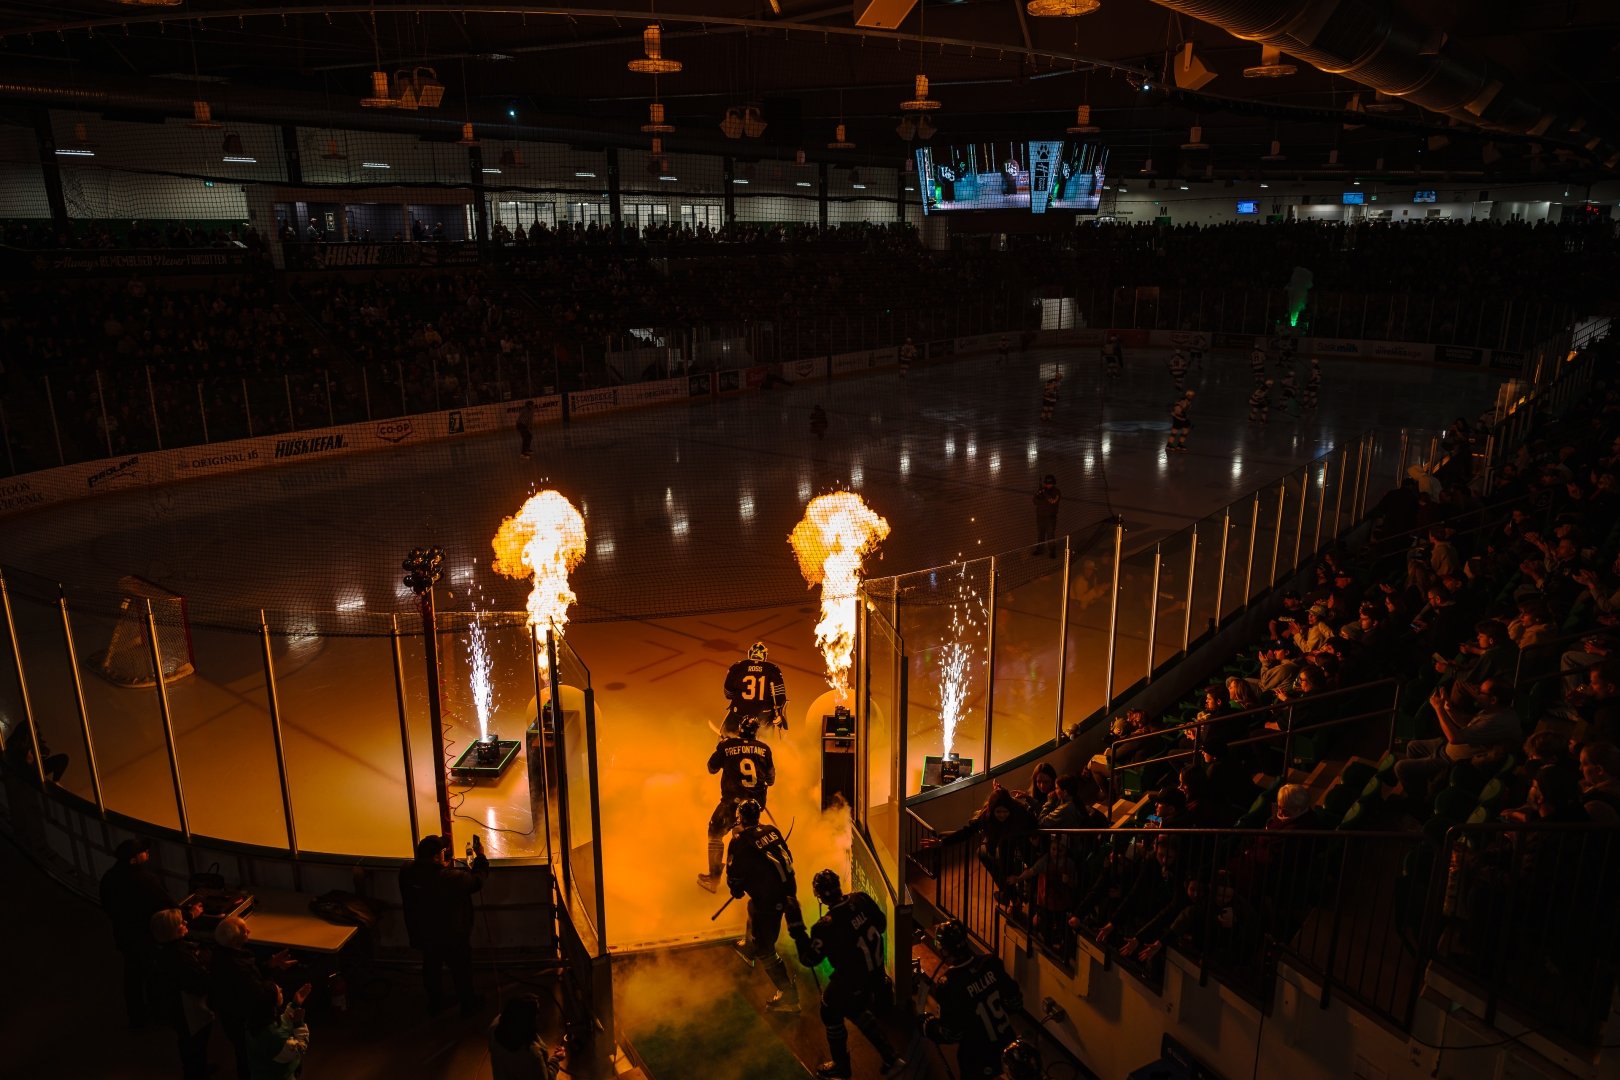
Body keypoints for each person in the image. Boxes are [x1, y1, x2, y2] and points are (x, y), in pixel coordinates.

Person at [791, 870, 904, 1080]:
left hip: (854, 979)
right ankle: (891, 1057)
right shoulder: (861, 898)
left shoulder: (825, 925)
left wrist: (797, 928)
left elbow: (809, 960)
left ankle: (841, 1069)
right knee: (855, 1009)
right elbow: (880, 924)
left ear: (819, 895)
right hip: (876, 973)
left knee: (829, 1010)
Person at [727, 798, 805, 1012]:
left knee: (766, 948)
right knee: (752, 908)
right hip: (789, 890)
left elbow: (733, 876)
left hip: (770, 900)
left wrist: (737, 888)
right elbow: (787, 857)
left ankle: (788, 996)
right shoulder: (772, 830)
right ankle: (750, 947)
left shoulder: (739, 841)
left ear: (741, 817)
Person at [398, 833, 489, 1016]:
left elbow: (425, 875)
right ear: (436, 856)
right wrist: (480, 857)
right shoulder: (450, 878)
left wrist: (439, 865)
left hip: (423, 933)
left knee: (431, 967)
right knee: (461, 969)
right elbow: (476, 881)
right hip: (452, 935)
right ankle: (468, 1004)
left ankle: (435, 1002)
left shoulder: (406, 871)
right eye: (442, 851)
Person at [100, 836, 187, 1027]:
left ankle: (136, 1015)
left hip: (124, 935)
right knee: (153, 975)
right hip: (145, 936)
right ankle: (159, 1015)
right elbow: (167, 905)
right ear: (133, 859)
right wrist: (190, 913)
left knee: (132, 974)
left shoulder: (109, 877)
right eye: (143, 852)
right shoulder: (146, 880)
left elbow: (107, 905)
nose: (147, 853)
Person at [924, 920, 1023, 1080]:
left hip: (978, 1059)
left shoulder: (949, 984)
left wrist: (928, 1025)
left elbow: (951, 1034)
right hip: (1009, 1048)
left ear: (945, 950)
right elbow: (1015, 1002)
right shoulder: (991, 962)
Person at [1393, 679, 1521, 800]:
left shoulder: (1496, 721)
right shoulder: (1494, 710)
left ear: (1493, 699)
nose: (1476, 692)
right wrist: (1448, 709)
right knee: (1412, 746)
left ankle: (1421, 801)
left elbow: (1455, 738)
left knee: (1400, 767)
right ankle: (1427, 785)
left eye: (1481, 691)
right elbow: (1467, 724)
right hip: (1446, 747)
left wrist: (1438, 709)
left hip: (1452, 760)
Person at [212, 916, 296, 1080]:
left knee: (243, 1054)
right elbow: (257, 993)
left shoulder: (223, 955)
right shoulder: (238, 966)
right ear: (236, 939)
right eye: (245, 930)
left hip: (232, 1019)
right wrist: (275, 989)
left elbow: (250, 980)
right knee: (251, 1059)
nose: (249, 931)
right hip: (245, 1022)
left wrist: (270, 965)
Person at [700, 714, 775, 892]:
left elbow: (711, 768)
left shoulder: (727, 746)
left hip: (733, 803)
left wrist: (721, 749)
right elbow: (771, 780)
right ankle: (756, 874)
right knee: (745, 835)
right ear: (756, 732)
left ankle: (714, 877)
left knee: (715, 831)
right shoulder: (764, 749)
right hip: (755, 803)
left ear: (740, 729)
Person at [150, 908, 213, 1080]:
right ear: (172, 931)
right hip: (188, 1011)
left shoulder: (162, 951)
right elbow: (200, 983)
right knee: (195, 1045)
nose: (186, 923)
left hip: (174, 1008)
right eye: (181, 923)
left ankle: (196, 1070)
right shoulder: (180, 956)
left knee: (188, 1043)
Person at [488, 992, 566, 1080]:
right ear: (526, 1020)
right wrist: (556, 1059)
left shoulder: (495, 1027)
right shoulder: (532, 1055)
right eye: (536, 1012)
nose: (539, 1014)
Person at [246, 980, 311, 1080]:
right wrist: (299, 1024)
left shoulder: (255, 1022)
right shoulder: (275, 1036)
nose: (281, 989)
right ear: (271, 1002)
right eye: (278, 991)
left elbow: (281, 1025)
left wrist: (295, 1004)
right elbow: (300, 1048)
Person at [721, 640, 788, 737]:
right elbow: (780, 697)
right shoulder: (773, 668)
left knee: (724, 737)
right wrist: (779, 715)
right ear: (764, 655)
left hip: (739, 712)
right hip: (764, 716)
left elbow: (728, 693)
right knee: (768, 744)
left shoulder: (737, 667)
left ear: (750, 654)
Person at [1033, 475, 1061, 557]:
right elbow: (1034, 501)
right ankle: (1039, 549)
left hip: (1050, 518)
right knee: (1040, 534)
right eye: (1047, 484)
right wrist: (1039, 496)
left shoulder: (1057, 492)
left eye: (1050, 484)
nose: (1048, 485)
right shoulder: (1041, 490)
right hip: (1040, 516)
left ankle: (1052, 551)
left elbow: (1053, 501)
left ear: (1053, 484)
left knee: (1050, 535)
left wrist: (1045, 494)